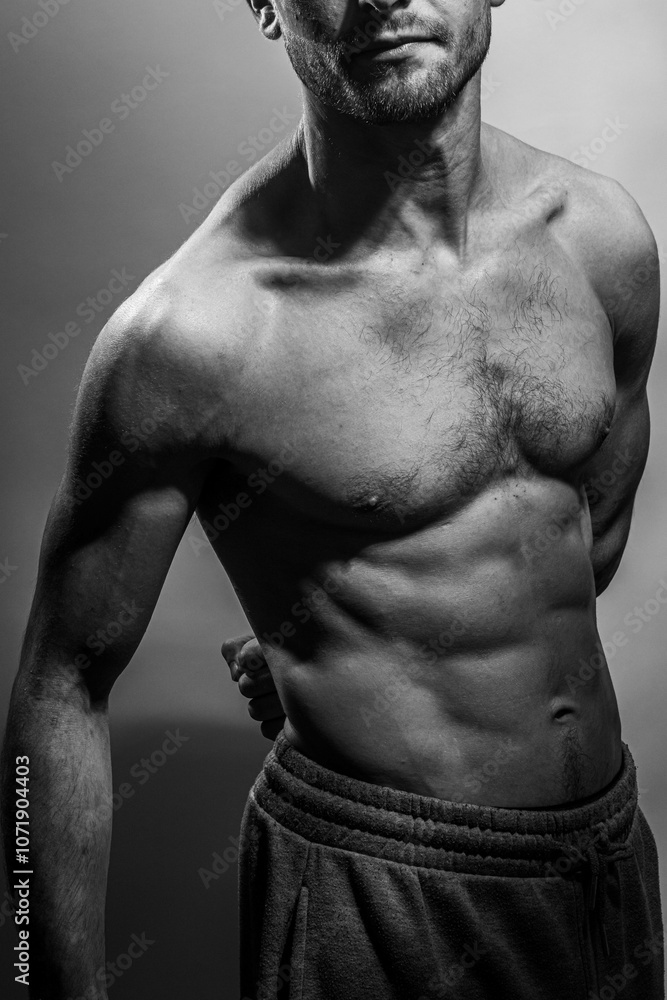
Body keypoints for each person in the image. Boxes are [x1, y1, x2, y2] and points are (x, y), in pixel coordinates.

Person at [1, 0, 663, 997]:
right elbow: (62, 680)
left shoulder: (602, 239)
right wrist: (41, 975)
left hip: (604, 863)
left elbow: (582, 546)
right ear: (265, 5)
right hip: (380, 887)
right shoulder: (197, 334)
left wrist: (342, 636)